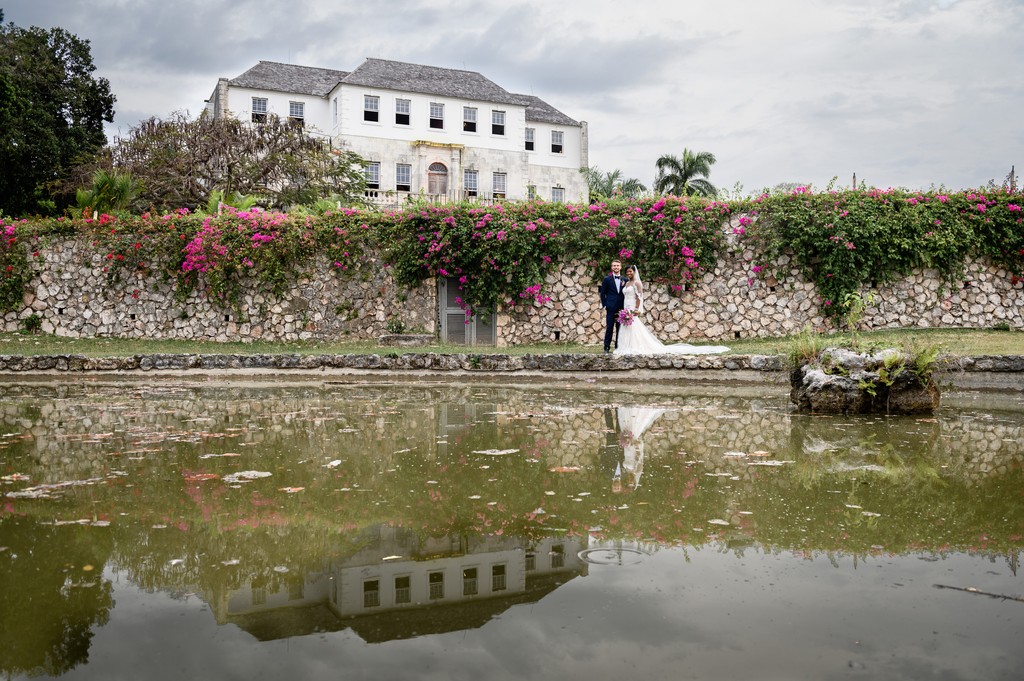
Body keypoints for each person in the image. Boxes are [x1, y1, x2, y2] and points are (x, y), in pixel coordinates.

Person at [616, 265, 729, 355]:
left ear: (634, 272)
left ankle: (635, 347)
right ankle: (627, 346)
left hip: (632, 307)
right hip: (626, 306)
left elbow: (639, 297)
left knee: (634, 326)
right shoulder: (626, 283)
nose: (629, 273)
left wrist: (636, 309)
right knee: (627, 326)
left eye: (631, 271)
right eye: (627, 272)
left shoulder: (637, 283)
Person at [599, 259, 626, 353]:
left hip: (621, 308)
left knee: (620, 328)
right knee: (609, 327)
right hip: (610, 307)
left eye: (618, 265)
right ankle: (606, 347)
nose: (616, 267)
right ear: (612, 267)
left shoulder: (625, 279)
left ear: (620, 267)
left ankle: (618, 346)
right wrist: (604, 305)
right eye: (614, 265)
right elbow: (602, 293)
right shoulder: (607, 279)